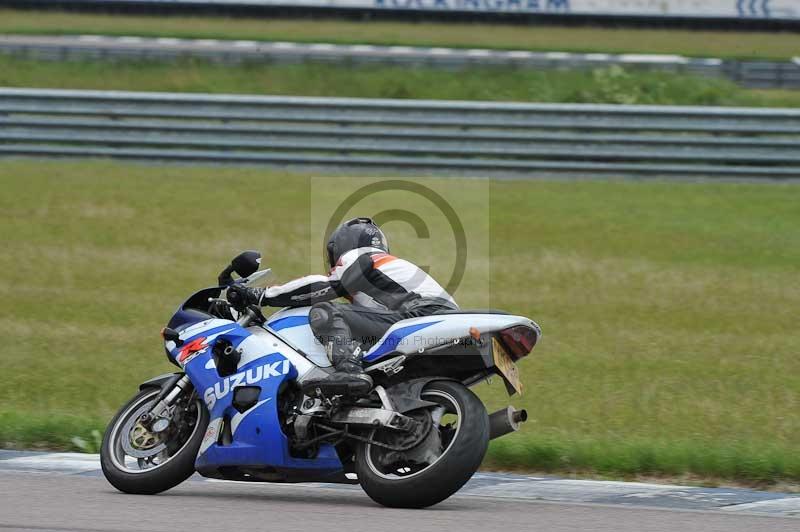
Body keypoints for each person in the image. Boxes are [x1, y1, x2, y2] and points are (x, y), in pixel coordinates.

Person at [227, 217, 458, 397]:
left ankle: (349, 371)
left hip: (421, 314)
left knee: (326, 312)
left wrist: (262, 295)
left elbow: (325, 286)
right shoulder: (387, 270)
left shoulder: (361, 256)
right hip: (440, 321)